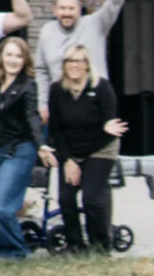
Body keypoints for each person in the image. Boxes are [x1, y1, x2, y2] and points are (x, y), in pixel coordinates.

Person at [45, 42, 127, 253]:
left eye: (79, 61)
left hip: (100, 147)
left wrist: (107, 125)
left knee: (91, 199)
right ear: (64, 65)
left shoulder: (102, 87)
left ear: (87, 65)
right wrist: (68, 160)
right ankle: (75, 245)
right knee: (66, 199)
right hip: (71, 150)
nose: (74, 65)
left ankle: (99, 246)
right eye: (70, 61)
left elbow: (109, 119)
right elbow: (55, 130)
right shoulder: (56, 90)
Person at [0, 36, 43, 261]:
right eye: (9, 54)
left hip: (19, 151)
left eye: (18, 55)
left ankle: (17, 252)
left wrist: (41, 145)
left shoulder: (28, 86)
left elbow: (32, 118)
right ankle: (3, 254)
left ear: (25, 60)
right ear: (1, 58)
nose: (13, 60)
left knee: (0, 207)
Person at [37, 0, 125, 93]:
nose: (67, 13)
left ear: (79, 10)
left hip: (95, 97)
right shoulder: (46, 32)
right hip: (61, 101)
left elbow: (115, 2)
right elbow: (41, 71)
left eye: (71, 9)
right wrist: (42, 103)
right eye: (62, 8)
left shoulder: (95, 24)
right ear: (54, 10)